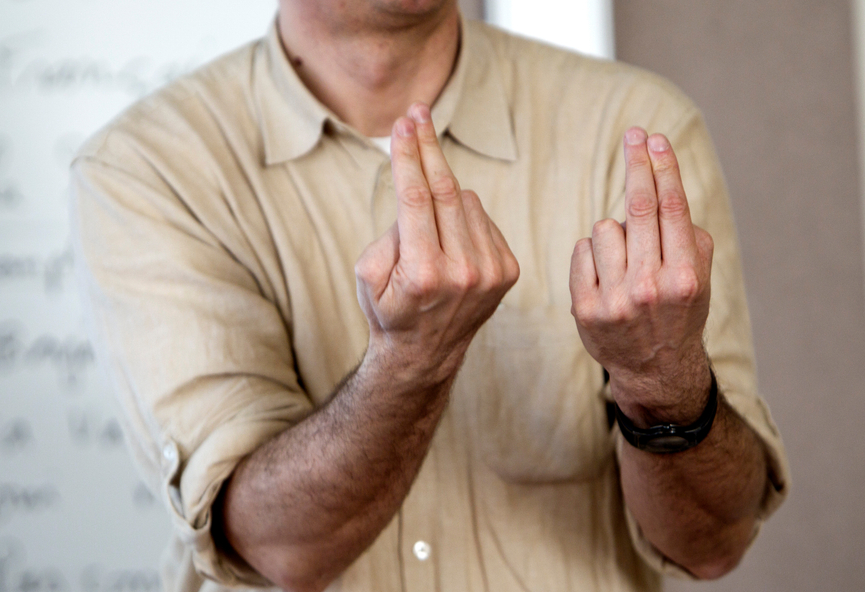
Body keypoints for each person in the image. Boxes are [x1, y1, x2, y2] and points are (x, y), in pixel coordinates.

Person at [71, 1, 790, 591]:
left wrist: (661, 382)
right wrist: (411, 361)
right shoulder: (147, 167)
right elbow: (277, 550)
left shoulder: (631, 130)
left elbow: (713, 544)